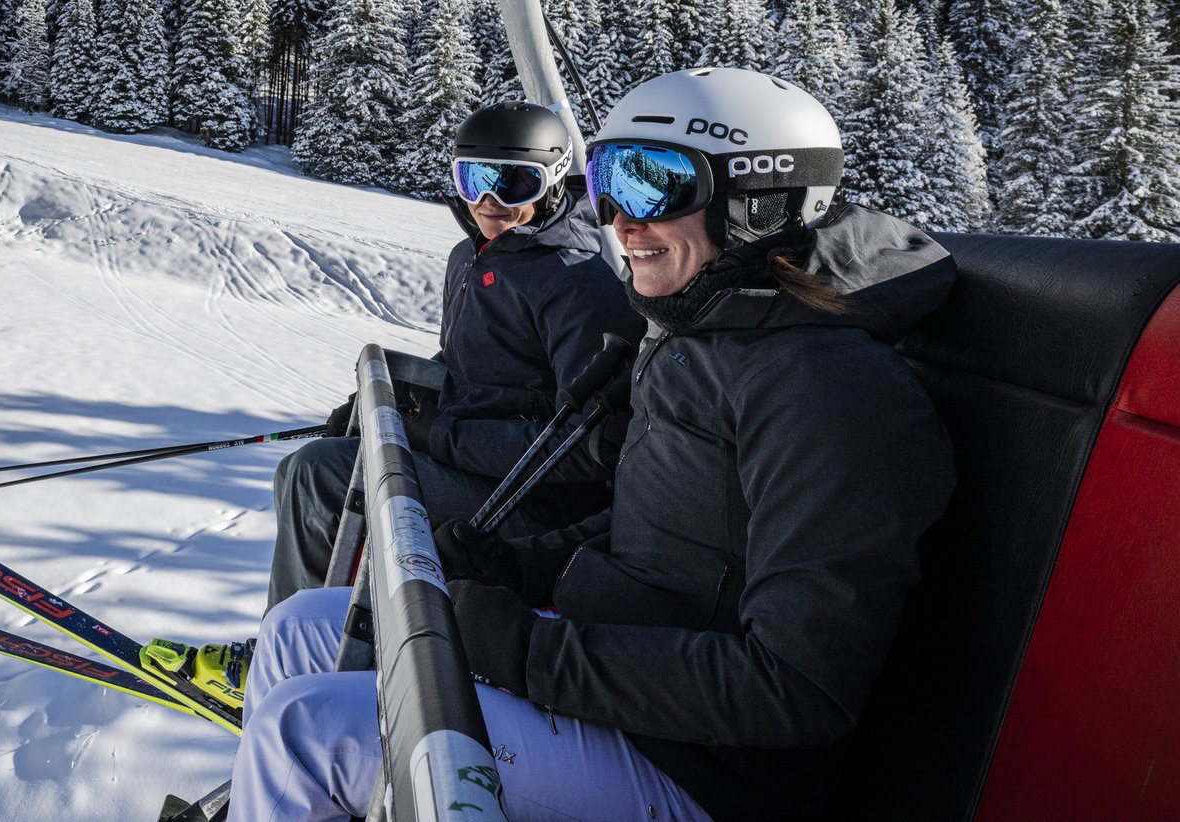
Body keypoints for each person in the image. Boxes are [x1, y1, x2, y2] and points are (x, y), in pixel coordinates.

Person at [231, 67, 959, 821]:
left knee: (311, 731)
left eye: (654, 186)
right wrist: (514, 563)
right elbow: (662, 528)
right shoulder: (705, 336)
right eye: (608, 180)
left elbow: (797, 690)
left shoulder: (831, 390)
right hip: (623, 664)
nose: (618, 219)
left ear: (760, 202)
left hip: (702, 770)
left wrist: (521, 651)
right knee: (301, 627)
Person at [265, 101, 644, 610]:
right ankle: (309, 623)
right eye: (474, 179)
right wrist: (384, 400)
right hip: (473, 465)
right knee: (308, 470)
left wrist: (440, 435)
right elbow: (465, 360)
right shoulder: (471, 256)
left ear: (553, 180)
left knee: (321, 474)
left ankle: (299, 643)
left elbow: (584, 448)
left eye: (514, 184)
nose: (489, 200)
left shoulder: (577, 285)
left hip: (534, 502)